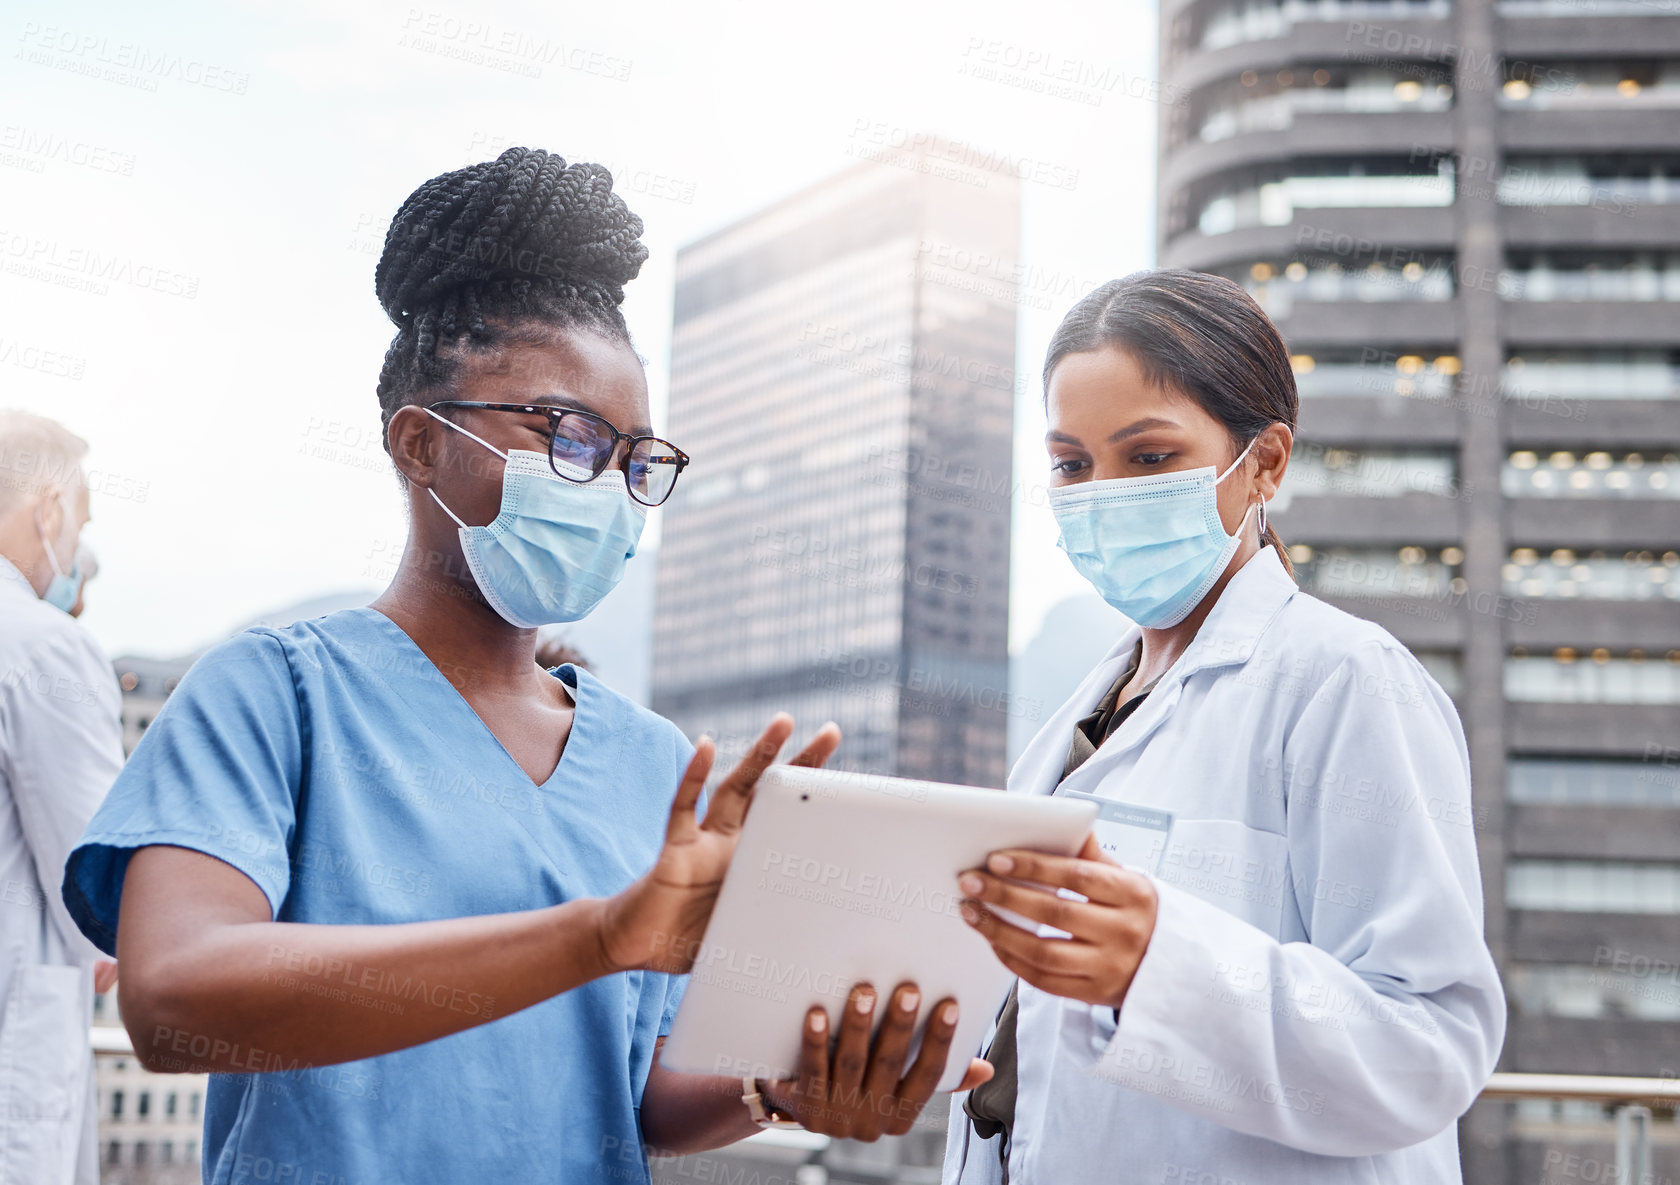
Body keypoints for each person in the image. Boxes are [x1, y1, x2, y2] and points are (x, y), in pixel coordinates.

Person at [62, 149, 984, 1185]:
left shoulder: (650, 762)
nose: (605, 484)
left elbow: (637, 1092)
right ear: (418, 443)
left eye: (634, 458)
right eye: (568, 437)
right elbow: (176, 1000)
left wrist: (771, 1087)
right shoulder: (275, 693)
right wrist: (594, 936)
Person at [945, 270, 1504, 1184]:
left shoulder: (1346, 681)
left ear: (1266, 463)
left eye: (1150, 457)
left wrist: (1157, 964)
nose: (1100, 494)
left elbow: (1429, 1045)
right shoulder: (1070, 724)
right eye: (1070, 464)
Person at [0, 410, 124, 1185]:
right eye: (77, 520)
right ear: (47, 510)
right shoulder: (41, 644)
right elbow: (99, 884)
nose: (75, 550)